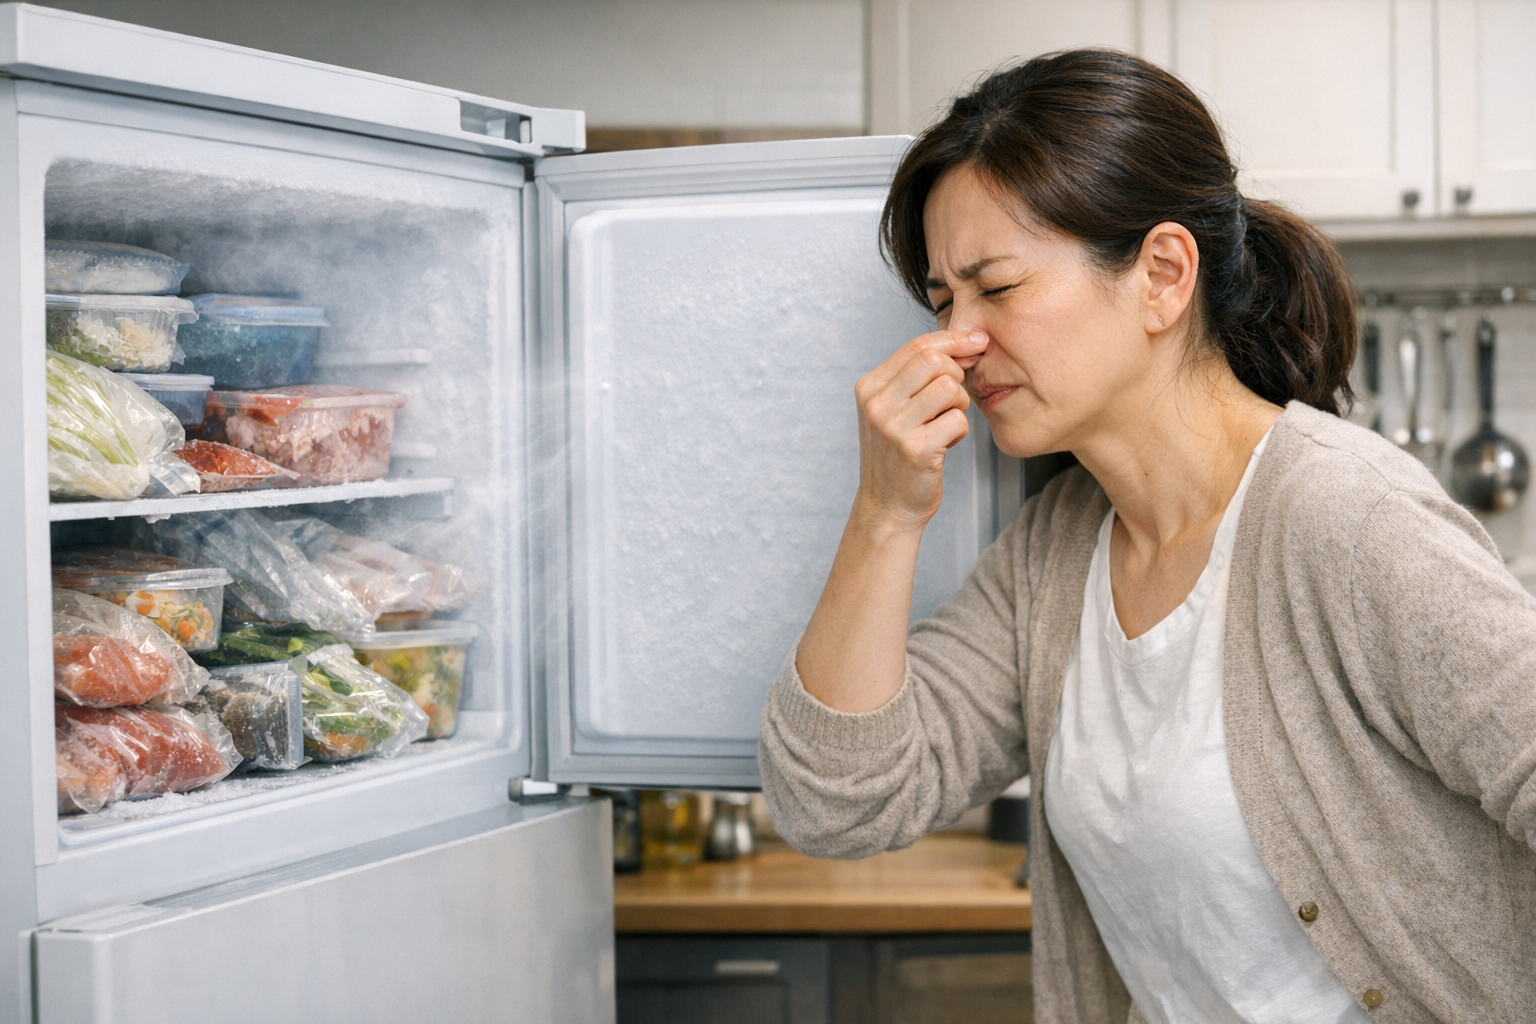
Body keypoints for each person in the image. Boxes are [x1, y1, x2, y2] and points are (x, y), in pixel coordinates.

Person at [757, 48, 1536, 1024]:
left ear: (1163, 275)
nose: (956, 341)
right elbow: (840, 802)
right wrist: (884, 516)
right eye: (941, 299)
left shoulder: (1350, 520)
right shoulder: (1053, 557)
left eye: (995, 289)